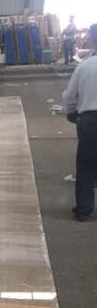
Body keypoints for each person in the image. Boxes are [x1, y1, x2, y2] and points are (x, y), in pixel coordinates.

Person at [62, 23, 97, 222]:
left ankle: (84, 210)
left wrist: (71, 113)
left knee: (85, 165)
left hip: (90, 120)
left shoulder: (85, 66)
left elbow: (69, 96)